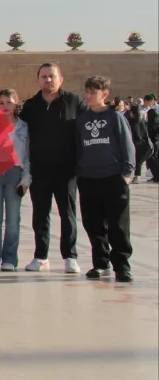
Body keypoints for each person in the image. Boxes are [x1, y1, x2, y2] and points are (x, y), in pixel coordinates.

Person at [20, 63, 86, 274]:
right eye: (44, 77)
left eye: (52, 76)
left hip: (67, 171)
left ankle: (70, 256)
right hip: (40, 170)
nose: (48, 80)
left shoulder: (74, 102)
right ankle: (41, 256)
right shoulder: (31, 106)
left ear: (61, 79)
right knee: (40, 214)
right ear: (38, 80)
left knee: (67, 214)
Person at [76, 76, 135, 282]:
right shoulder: (82, 119)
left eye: (94, 92)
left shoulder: (115, 117)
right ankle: (101, 263)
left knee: (118, 225)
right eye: (87, 91)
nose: (89, 96)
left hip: (113, 178)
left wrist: (127, 173)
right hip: (89, 178)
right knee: (93, 224)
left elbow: (127, 145)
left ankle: (122, 265)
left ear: (105, 95)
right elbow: (78, 147)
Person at [0, 89, 30, 272]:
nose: (5, 106)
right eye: (1, 103)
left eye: (9, 102)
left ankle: (10, 258)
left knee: (13, 219)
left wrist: (26, 179)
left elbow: (27, 155)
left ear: (16, 104)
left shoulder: (24, 127)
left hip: (15, 173)